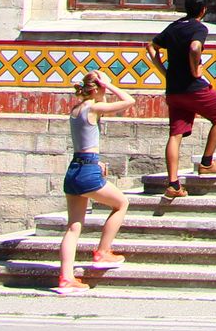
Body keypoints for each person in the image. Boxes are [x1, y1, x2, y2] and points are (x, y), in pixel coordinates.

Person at [54, 69, 135, 294]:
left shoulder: (75, 110)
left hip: (75, 168)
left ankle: (66, 278)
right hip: (87, 169)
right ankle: (103, 251)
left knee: (73, 227)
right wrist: (108, 85)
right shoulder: (94, 107)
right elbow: (130, 101)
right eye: (104, 87)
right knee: (121, 203)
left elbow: (84, 142)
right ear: (98, 87)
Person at [147, 0, 216, 199]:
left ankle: (174, 184)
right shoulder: (198, 28)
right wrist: (195, 70)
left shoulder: (175, 26)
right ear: (203, 10)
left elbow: (151, 46)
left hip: (173, 90)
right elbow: (195, 47)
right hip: (193, 88)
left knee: (175, 135)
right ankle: (207, 162)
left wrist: (164, 71)